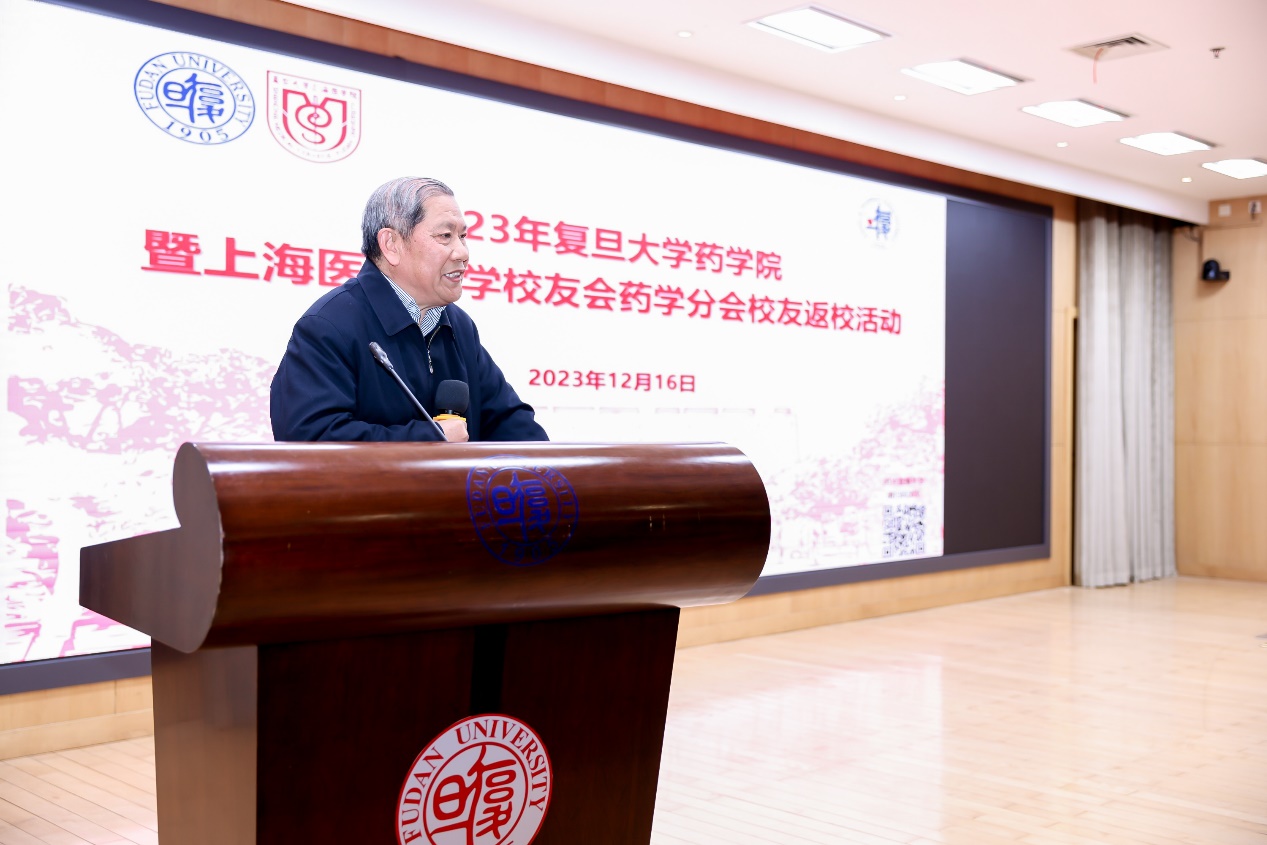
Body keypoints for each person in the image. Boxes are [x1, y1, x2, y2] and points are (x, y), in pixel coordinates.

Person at [270, 177, 547, 442]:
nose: (463, 253)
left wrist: (552, 466)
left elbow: (509, 420)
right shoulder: (329, 325)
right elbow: (311, 439)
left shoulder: (458, 325)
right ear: (391, 245)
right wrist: (432, 439)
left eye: (462, 236)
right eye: (445, 235)